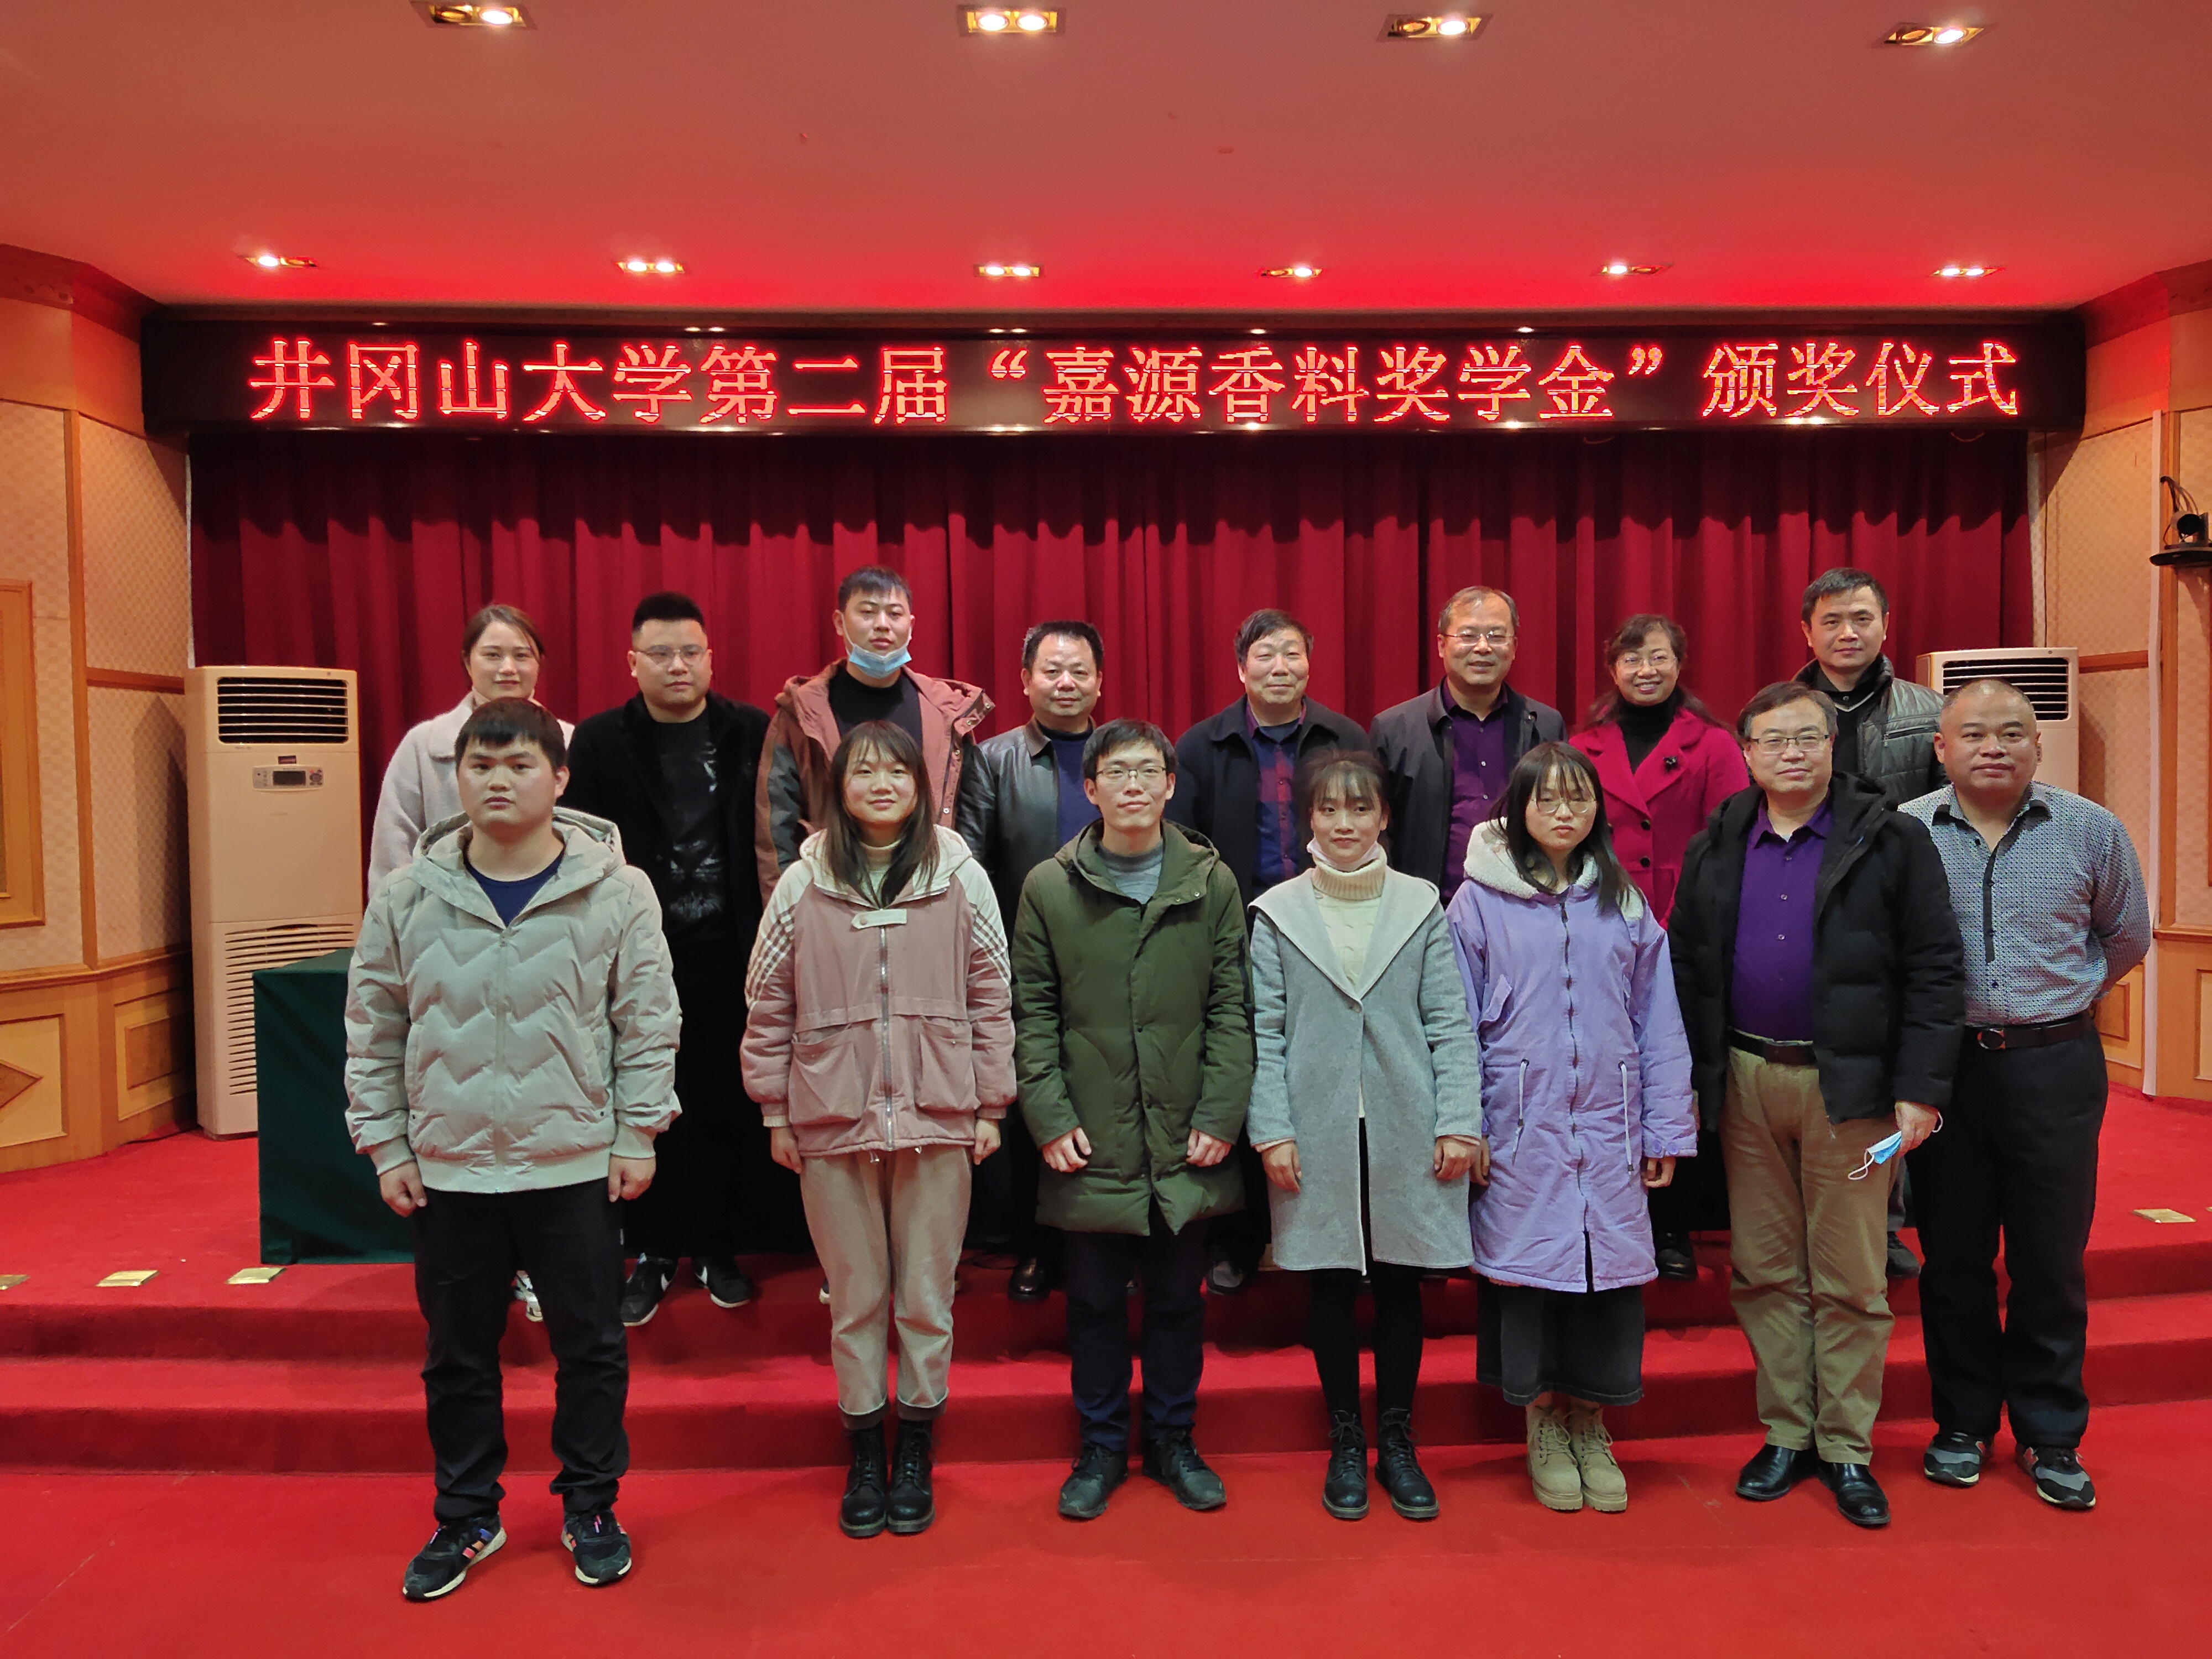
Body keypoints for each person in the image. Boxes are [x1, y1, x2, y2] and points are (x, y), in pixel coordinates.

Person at [344, 698, 679, 1601]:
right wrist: (387, 1144)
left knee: (591, 1348)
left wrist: (638, 1130)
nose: (499, 781)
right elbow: (374, 1026)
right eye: (481, 765)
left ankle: (592, 1506)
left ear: (560, 778)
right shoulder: (409, 894)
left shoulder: (617, 890)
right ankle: (467, 1516)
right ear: (456, 778)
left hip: (572, 1157)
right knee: (457, 1354)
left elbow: (648, 1021)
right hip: (450, 1164)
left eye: (520, 765)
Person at [1669, 683, 1964, 1529]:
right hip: (1745, 1080)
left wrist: (1920, 1088)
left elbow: (1936, 968)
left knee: (1851, 1276)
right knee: (1764, 1270)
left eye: (1807, 737)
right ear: (1748, 754)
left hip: (1855, 1092)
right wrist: (1688, 1082)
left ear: (1833, 746)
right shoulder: (1719, 841)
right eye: (1773, 741)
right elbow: (1686, 964)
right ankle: (1786, 1433)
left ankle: (1845, 1447)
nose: (1791, 753)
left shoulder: (1892, 839)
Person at [742, 721, 1015, 1539]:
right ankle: (865, 1448)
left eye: (897, 771)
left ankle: (918, 1442)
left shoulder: (961, 875)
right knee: (855, 1299)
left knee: (927, 1298)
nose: (882, 784)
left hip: (939, 1111)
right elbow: (768, 1003)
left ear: (920, 785)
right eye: (863, 772)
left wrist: (990, 1105)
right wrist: (774, 1109)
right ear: (839, 787)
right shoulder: (802, 883)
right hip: (831, 1116)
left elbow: (992, 995)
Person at [1901, 679, 2149, 1510]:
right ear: (1942, 748)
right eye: (1974, 734)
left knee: (2050, 1257)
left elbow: (2126, 937)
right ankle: (1963, 1422)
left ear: (2038, 745)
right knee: (1954, 1256)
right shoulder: (1907, 832)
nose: (1993, 747)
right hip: (1947, 1072)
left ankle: (2051, 1433)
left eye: (2012, 732)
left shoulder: (2090, 829)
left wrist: (2062, 1001)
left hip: (2055, 1065)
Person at [1011, 718, 1254, 1521]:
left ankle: (1174, 1441)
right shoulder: (1050, 886)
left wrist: (1221, 1111)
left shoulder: (1211, 882)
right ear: (1090, 788)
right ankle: (1102, 1447)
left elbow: (1232, 1007)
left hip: (1187, 1129)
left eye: (1148, 771)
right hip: (1091, 1131)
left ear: (1171, 784)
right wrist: (1048, 1117)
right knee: (1092, 1305)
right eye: (1116, 773)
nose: (1134, 786)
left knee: (1180, 1301)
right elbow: (1032, 1013)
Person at [1446, 743, 1697, 1515]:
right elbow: (1452, 1023)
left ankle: (1590, 1421)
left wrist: (1665, 1127)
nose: (1564, 812)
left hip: (1610, 1123)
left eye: (1579, 798)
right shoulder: (1476, 903)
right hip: (1520, 1124)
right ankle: (1542, 1425)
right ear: (1518, 808)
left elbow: (1659, 1019)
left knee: (1605, 1277)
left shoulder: (1623, 900)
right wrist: (1464, 1124)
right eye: (1547, 798)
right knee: (1530, 1277)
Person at [1247, 749, 1482, 1522]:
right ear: (1307, 821)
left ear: (1383, 817)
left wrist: (1458, 1121)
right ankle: (1346, 1439)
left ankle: (1397, 1440)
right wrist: (1272, 1130)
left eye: (1359, 809)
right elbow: (1265, 1032)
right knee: (1329, 1283)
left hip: (1406, 1121)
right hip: (1315, 1126)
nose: (1344, 824)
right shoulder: (1277, 912)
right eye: (1328, 810)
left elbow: (1450, 1022)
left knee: (1401, 1282)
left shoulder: (1422, 905)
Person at [563, 591, 787, 1327]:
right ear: (632, 663)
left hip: (733, 952)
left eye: (690, 652)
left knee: (724, 1103)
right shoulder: (598, 742)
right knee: (647, 1105)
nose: (677, 666)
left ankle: (719, 1248)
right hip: (636, 958)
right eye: (660, 654)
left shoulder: (750, 730)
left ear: (710, 658)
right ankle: (654, 1250)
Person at [1166, 607, 1364, 1295]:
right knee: (1242, 1075)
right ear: (1241, 668)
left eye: (1292, 654)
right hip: (1236, 934)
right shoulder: (1201, 746)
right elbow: (1182, 847)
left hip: (1330, 932)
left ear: (1309, 663)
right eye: (1264, 656)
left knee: (1327, 1078)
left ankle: (1336, 1234)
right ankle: (1239, 1236)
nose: (1280, 668)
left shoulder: (1344, 738)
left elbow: (1372, 827)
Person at [1571, 613, 1748, 1282]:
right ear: (1611, 668)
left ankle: (1675, 1222)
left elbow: (1728, 843)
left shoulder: (1713, 745)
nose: (1645, 670)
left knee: (1674, 1074)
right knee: (1606, 1069)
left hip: (1688, 927)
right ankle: (1608, 1212)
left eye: (1658, 658)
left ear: (1679, 664)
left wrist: (1672, 922)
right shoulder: (1582, 745)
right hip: (1600, 924)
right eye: (1631, 659)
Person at [1793, 567, 1944, 1279]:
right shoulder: (1783, 711)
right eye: (1830, 620)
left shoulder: (1928, 711)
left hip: (1893, 916)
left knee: (1888, 1077)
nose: (1846, 633)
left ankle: (1883, 1223)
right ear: (1807, 632)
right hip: (1802, 912)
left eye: (1860, 618)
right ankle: (1808, 1221)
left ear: (1886, 624)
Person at [954, 619, 1106, 1302]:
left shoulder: (1122, 753)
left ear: (1099, 681)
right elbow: (972, 865)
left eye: (1079, 671)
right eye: (1051, 670)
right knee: (1032, 1106)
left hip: (1115, 958)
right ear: (1025, 681)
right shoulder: (992, 760)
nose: (1065, 683)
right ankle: (1036, 1247)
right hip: (1026, 963)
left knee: (1108, 1099)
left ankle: (1111, 1242)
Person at [757, 564, 993, 899]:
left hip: (929, 890)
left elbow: (972, 817)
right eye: (867, 613)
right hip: (831, 893)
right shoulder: (802, 713)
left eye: (895, 614)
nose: (882, 625)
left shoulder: (947, 712)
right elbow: (774, 827)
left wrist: (964, 896)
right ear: (839, 622)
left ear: (911, 625)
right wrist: (789, 908)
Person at [1369, 585, 1564, 901]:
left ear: (1514, 647)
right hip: (1425, 908)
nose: (1483, 647)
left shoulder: (1546, 725)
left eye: (1496, 636)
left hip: (1525, 906)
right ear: (1442, 645)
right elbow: (1377, 831)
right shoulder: (1395, 729)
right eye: (1469, 636)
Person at [366, 603, 573, 898]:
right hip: (440, 909)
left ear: (539, 663)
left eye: (521, 656)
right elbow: (393, 848)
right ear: (468, 661)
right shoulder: (424, 745)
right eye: (493, 655)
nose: (508, 669)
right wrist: (397, 912)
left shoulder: (572, 742)